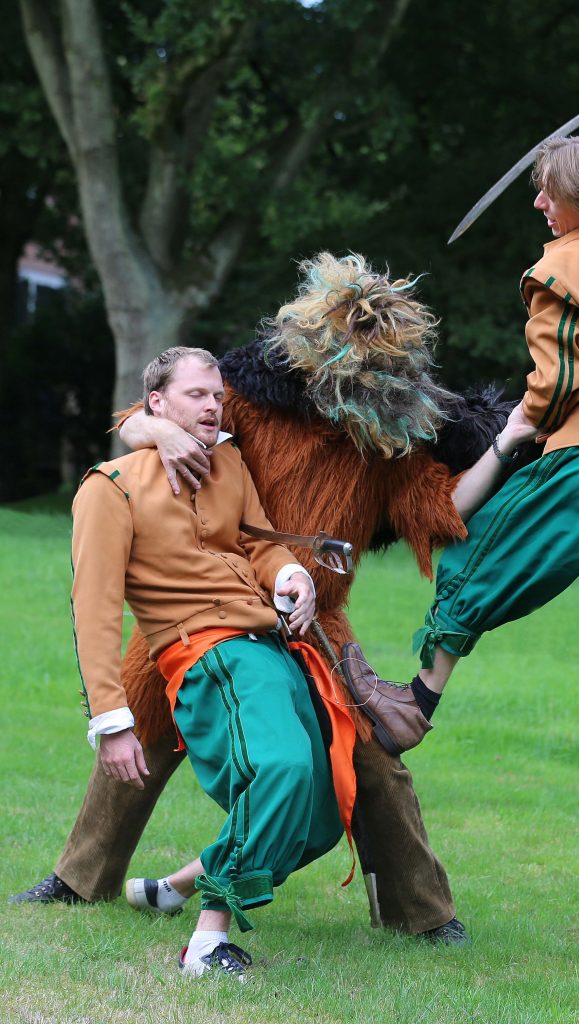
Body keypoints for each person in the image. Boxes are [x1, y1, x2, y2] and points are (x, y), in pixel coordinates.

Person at [11, 253, 532, 943]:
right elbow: (141, 423)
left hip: (318, 616)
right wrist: (161, 430)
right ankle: (82, 878)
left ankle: (421, 913)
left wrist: (507, 445)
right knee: (138, 719)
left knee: (371, 751)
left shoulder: (390, 441)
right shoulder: (250, 401)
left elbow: (441, 507)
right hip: (202, 604)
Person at [341, 39, 579, 935]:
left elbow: (552, 386)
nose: (538, 203)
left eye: (548, 193)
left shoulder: (560, 278)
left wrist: (521, 435)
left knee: (473, 558)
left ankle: (417, 708)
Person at [62, 346, 352, 977]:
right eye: (197, 394)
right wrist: (111, 722)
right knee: (276, 769)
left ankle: (179, 885)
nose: (214, 405)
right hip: (207, 656)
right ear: (157, 403)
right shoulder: (108, 488)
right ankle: (206, 944)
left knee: (324, 809)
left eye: (218, 395)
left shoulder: (230, 464)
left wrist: (292, 574)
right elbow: (95, 611)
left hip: (273, 648)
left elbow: (256, 542)